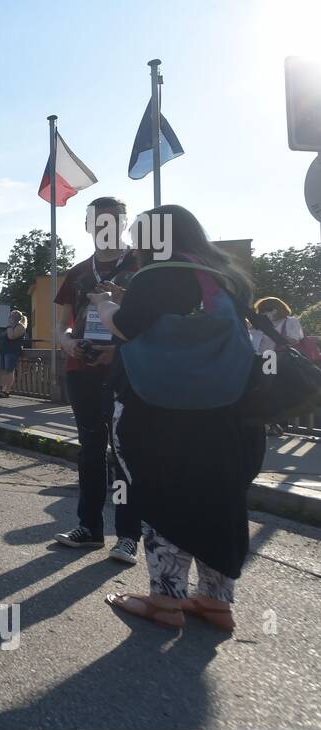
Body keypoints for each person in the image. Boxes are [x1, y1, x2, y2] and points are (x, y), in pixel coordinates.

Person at [89, 204, 265, 630]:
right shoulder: (223, 277)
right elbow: (180, 314)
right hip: (230, 409)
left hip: (161, 409)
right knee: (220, 497)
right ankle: (216, 602)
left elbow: (128, 328)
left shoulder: (158, 274)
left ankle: (166, 602)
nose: (132, 246)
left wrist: (104, 304)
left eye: (136, 237)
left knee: (163, 496)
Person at [53, 196, 142, 560]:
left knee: (124, 452)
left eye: (111, 220)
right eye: (97, 221)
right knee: (90, 450)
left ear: (122, 223)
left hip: (125, 370)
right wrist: (66, 343)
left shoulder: (141, 266)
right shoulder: (77, 273)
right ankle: (89, 527)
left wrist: (119, 348)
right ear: (88, 225)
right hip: (83, 369)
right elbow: (60, 323)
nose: (103, 227)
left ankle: (127, 535)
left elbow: (152, 320)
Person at [250, 297, 305, 437]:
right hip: (261, 357)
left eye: (266, 309)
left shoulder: (289, 321)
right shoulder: (260, 323)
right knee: (263, 390)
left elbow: (295, 339)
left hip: (276, 358)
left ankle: (276, 423)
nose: (264, 313)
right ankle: (270, 423)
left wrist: (272, 334)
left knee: (273, 390)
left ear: (275, 309)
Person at [0, 310, 26, 398]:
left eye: (11, 316)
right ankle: (3, 389)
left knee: (9, 371)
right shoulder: (10, 327)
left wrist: (9, 325)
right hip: (3, 351)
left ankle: (7, 391)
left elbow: (11, 336)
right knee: (3, 371)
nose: (9, 317)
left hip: (12, 351)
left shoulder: (20, 327)